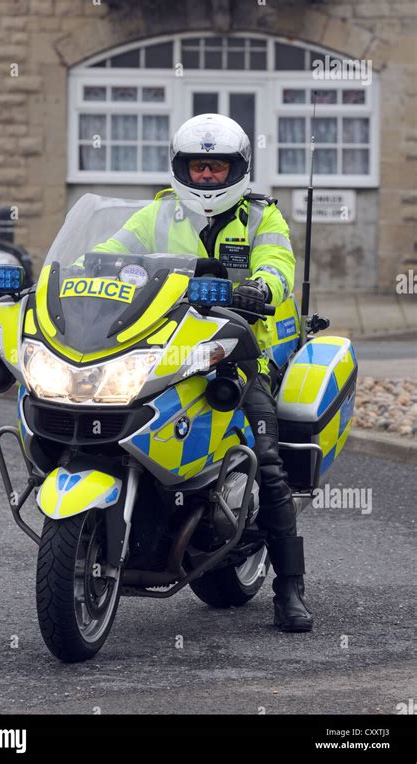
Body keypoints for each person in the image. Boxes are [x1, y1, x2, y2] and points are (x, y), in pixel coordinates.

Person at [93, 113, 313, 632]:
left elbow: (279, 268)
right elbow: (111, 253)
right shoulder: (159, 214)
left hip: (243, 351)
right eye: (198, 166)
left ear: (237, 169)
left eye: (217, 166)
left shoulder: (263, 218)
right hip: (170, 350)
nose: (208, 176)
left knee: (267, 456)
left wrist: (261, 288)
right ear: (181, 169)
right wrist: (85, 269)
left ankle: (289, 588)